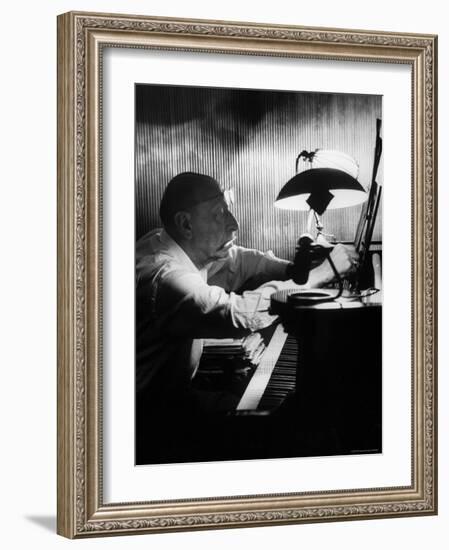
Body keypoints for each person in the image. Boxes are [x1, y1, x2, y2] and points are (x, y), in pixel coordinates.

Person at [135, 172, 358, 463]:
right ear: (185, 224)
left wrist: (292, 271)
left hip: (171, 400)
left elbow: (239, 259)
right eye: (219, 214)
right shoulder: (165, 277)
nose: (234, 224)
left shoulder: (167, 241)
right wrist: (321, 275)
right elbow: (237, 313)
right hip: (150, 422)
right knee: (286, 438)